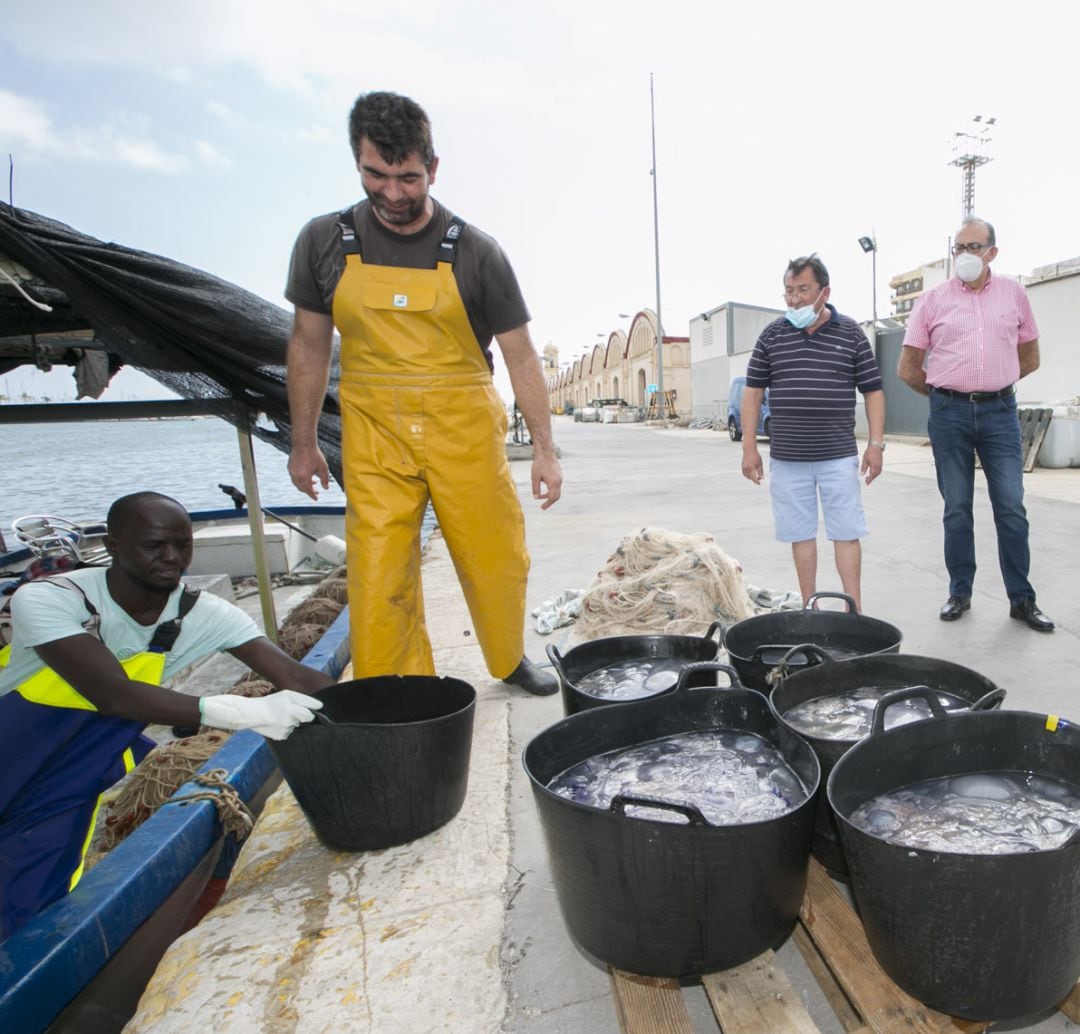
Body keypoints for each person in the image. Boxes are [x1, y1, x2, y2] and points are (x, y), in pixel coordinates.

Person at [285, 90, 562, 694]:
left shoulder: (477, 251)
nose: (391, 193)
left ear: (432, 168)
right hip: (374, 432)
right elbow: (308, 345)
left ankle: (510, 657)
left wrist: (544, 449)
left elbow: (520, 355)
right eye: (375, 175)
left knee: (495, 555)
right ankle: (396, 689)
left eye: (407, 177)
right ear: (356, 163)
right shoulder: (323, 242)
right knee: (378, 568)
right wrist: (302, 442)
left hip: (462, 425)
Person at [0, 492, 331, 938]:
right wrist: (237, 710)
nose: (172, 558)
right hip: (10, 745)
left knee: (34, 896)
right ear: (114, 545)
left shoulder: (202, 614)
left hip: (68, 781)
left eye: (182, 544)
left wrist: (381, 703)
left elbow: (293, 675)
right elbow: (112, 695)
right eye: (155, 545)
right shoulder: (51, 598)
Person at [897, 217, 1053, 631]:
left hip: (999, 414)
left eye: (973, 247)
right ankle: (959, 592)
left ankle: (1021, 599)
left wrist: (992, 383)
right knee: (957, 509)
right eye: (958, 248)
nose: (964, 256)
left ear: (992, 252)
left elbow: (1031, 356)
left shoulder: (1014, 295)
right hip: (949, 415)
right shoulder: (931, 301)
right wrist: (948, 395)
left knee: (1011, 507)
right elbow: (909, 368)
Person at [741, 254, 885, 610]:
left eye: (803, 290)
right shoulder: (772, 335)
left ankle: (855, 610)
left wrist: (876, 445)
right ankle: (811, 608)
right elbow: (753, 393)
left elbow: (873, 391)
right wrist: (749, 448)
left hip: (838, 456)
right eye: (788, 291)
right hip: (788, 459)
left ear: (824, 292)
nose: (794, 299)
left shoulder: (850, 333)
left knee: (846, 533)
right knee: (800, 535)